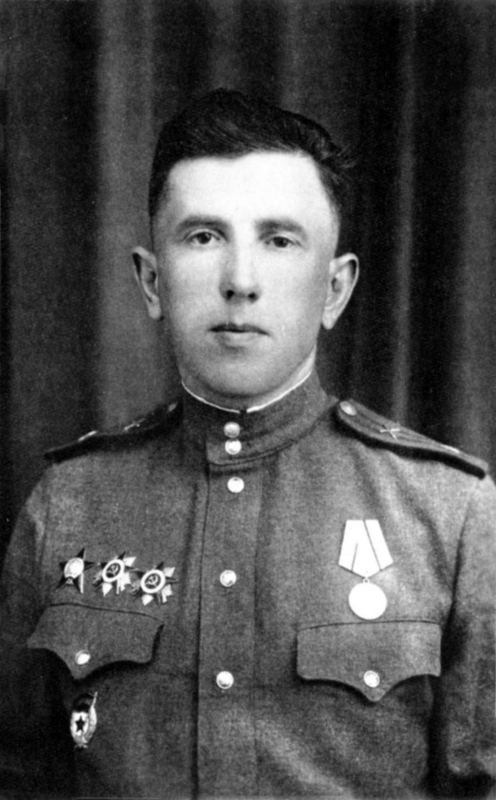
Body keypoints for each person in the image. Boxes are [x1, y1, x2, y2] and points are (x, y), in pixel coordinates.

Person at [0, 89, 494, 799]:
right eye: (204, 237)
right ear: (151, 281)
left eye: (279, 240)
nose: (240, 281)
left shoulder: (449, 513)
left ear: (334, 289)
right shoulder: (68, 503)